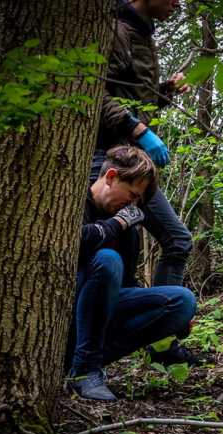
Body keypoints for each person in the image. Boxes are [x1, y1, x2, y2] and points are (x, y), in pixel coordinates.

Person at [93, 0, 197, 365]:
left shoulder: (140, 33)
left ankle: (161, 341)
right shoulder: (116, 30)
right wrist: (139, 129)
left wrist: (162, 93)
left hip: (131, 159)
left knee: (174, 241)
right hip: (109, 161)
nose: (177, 4)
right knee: (116, 256)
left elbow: (131, 99)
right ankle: (91, 357)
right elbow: (94, 94)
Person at [68, 146, 197, 401]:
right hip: (67, 308)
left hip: (101, 314)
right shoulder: (74, 201)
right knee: (107, 259)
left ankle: (77, 361)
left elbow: (125, 283)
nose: (133, 204)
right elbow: (75, 243)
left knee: (182, 301)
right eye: (132, 194)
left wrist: (170, 320)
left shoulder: (126, 224)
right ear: (111, 176)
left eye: (139, 200)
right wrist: (116, 224)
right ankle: (85, 369)